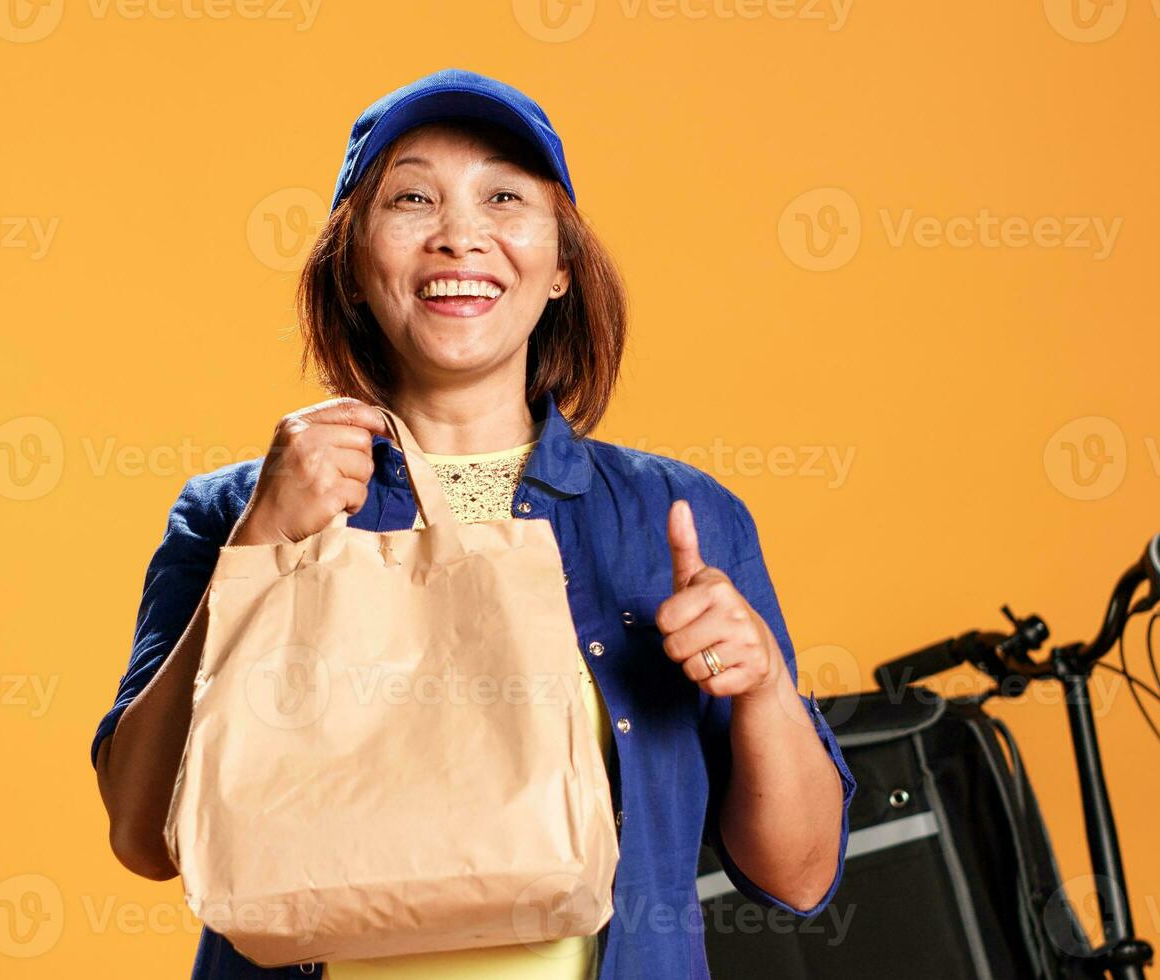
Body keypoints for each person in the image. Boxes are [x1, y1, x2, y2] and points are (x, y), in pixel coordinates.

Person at [90, 67, 857, 980]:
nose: (461, 235)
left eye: (505, 197)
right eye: (412, 198)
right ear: (351, 270)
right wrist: (259, 550)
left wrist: (762, 685)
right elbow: (142, 837)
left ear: (562, 265)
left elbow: (801, 876)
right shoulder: (233, 514)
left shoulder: (676, 517)